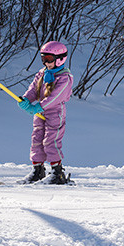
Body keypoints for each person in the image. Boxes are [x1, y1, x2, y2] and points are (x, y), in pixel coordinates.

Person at [18, 41, 74, 185]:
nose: (46, 63)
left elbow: (55, 97)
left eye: (49, 59)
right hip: (41, 111)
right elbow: (33, 89)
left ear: (60, 59)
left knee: (51, 140)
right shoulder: (42, 73)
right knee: (37, 139)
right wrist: (26, 99)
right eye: (43, 59)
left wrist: (38, 107)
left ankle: (57, 173)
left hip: (55, 112)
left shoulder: (64, 77)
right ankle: (38, 170)